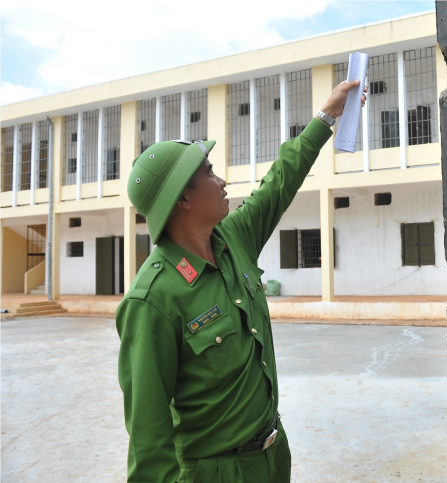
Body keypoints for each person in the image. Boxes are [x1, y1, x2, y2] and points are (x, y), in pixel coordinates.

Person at [116, 80, 366, 483]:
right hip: (214, 471)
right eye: (210, 173)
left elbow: (280, 181)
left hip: (271, 455)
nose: (222, 181)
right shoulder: (153, 299)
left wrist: (326, 116)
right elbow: (148, 434)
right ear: (183, 199)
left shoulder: (234, 238)